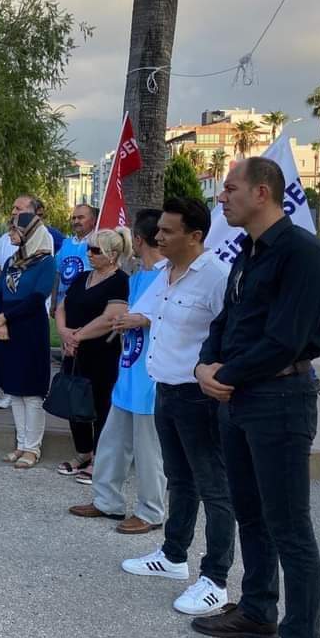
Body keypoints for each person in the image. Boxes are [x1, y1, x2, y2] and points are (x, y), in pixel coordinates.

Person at [190, 158, 320, 638]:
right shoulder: (248, 253)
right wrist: (205, 366)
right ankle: (257, 610)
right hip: (239, 397)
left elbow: (287, 338)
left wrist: (222, 374)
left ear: (261, 191)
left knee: (289, 528)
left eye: (228, 188)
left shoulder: (302, 253)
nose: (221, 197)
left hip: (279, 399)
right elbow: (225, 322)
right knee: (249, 512)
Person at [115, 198, 234, 615]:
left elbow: (231, 336)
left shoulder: (216, 277)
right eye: (158, 230)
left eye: (167, 231)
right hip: (164, 389)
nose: (158, 237)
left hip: (197, 396)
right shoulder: (165, 273)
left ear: (196, 236)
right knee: (179, 481)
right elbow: (144, 317)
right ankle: (173, 556)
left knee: (214, 487)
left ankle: (216, 579)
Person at [68, 209, 166, 530]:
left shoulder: (170, 275)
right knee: (112, 442)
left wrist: (141, 319)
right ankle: (107, 500)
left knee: (148, 450)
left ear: (138, 239)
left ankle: (151, 511)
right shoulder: (138, 277)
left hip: (151, 376)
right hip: (128, 369)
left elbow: (177, 315)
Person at [55, 227, 131, 480]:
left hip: (101, 352)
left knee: (100, 404)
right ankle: (83, 452)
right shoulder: (82, 277)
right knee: (74, 402)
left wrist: (77, 336)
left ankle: (100, 456)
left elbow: (110, 318)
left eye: (96, 250)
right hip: (73, 351)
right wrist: (65, 333)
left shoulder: (120, 281)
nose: (89, 254)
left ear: (112, 254)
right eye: (89, 248)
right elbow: (61, 306)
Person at [0, 213, 55, 468]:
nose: (11, 235)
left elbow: (37, 298)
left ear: (31, 232)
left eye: (16, 230)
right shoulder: (12, 261)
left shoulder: (46, 262)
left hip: (29, 328)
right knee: (14, 390)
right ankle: (20, 443)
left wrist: (5, 317)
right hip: (6, 326)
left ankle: (33, 447)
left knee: (31, 392)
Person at [51, 204, 97, 316]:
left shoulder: (98, 243)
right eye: (74, 218)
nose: (76, 221)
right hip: (64, 306)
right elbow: (57, 274)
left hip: (88, 305)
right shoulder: (66, 243)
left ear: (93, 220)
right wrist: (53, 302)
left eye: (81, 217)